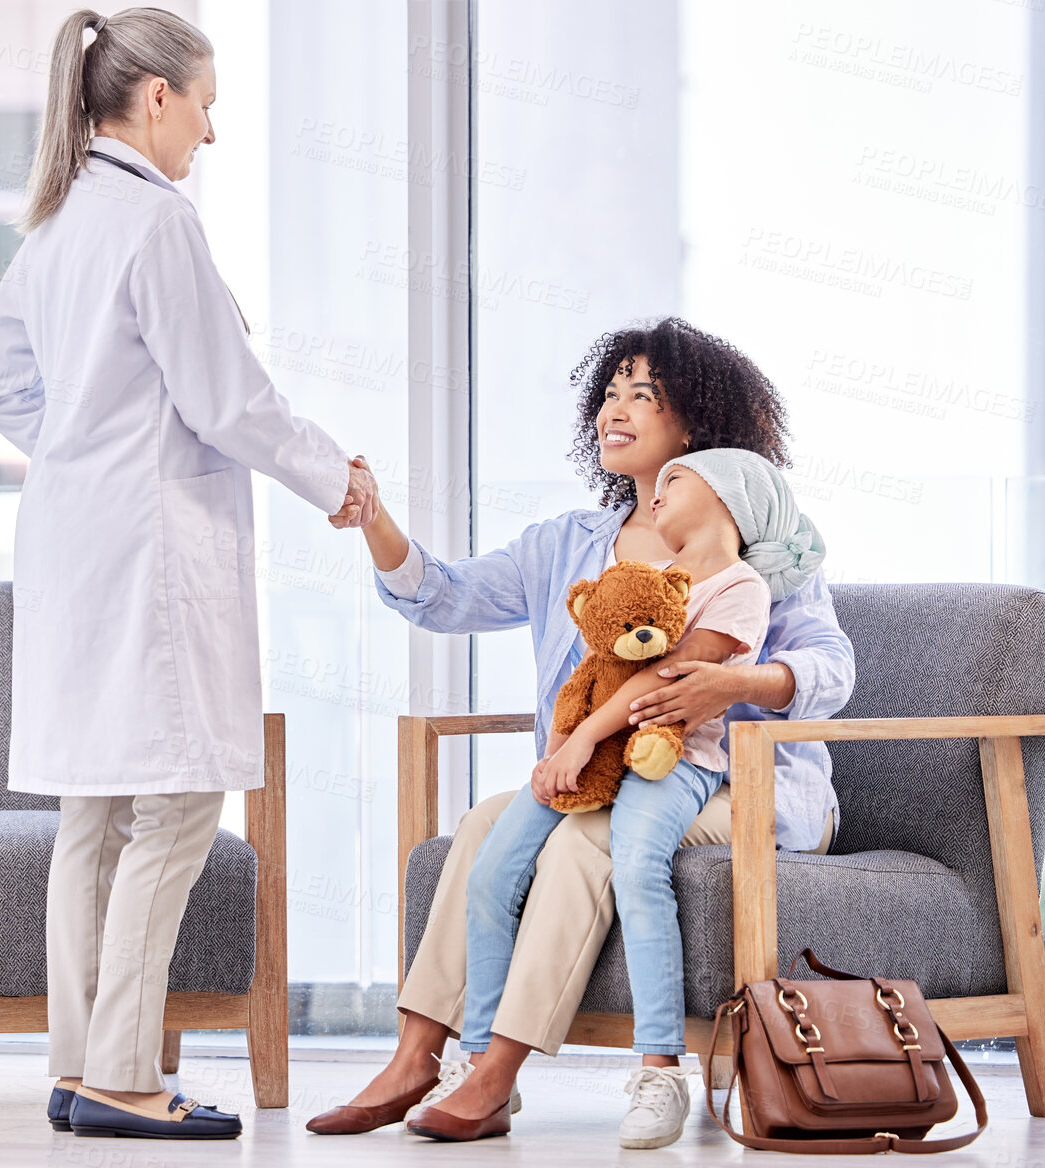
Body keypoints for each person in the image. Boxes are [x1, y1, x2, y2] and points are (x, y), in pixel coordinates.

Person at [0, 6, 377, 1141]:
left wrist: (85, 444)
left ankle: (76, 1066)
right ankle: (123, 1077)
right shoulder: (156, 225)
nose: (208, 131)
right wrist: (331, 479)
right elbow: (227, 400)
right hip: (147, 556)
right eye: (204, 105)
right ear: (156, 98)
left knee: (92, 807)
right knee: (182, 799)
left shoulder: (54, 223)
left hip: (72, 542)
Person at [306, 318, 854, 1146]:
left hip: (730, 781)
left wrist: (733, 683)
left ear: (695, 429)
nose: (613, 410)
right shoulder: (568, 544)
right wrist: (375, 518)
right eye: (609, 393)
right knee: (485, 824)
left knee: (582, 840)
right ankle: (421, 1054)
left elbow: (831, 669)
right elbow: (445, 596)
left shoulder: (762, 555)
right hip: (601, 768)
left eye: (644, 394)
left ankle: (496, 1075)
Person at [406, 447, 819, 1146]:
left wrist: (573, 741)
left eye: (677, 481)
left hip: (672, 761)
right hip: (598, 751)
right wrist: (572, 737)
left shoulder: (740, 588)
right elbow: (601, 655)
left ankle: (660, 1068)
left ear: (730, 500)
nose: (656, 493)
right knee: (492, 866)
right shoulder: (654, 577)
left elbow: (657, 681)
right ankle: (477, 1062)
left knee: (634, 868)